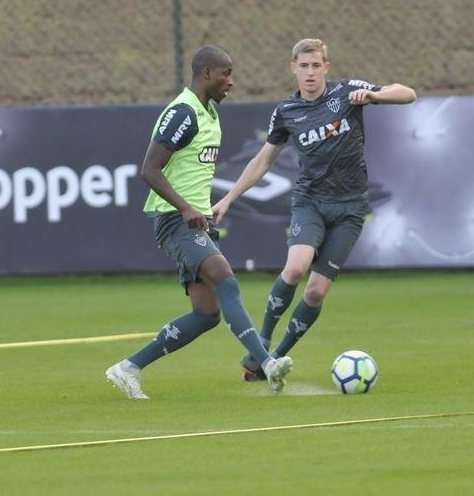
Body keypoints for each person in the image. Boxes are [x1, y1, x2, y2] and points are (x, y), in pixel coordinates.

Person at [212, 38, 417, 380]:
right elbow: (263, 161)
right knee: (295, 269)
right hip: (310, 203)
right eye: (303, 66)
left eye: (315, 65)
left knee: (316, 290)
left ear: (326, 67)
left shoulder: (348, 93)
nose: (310, 72)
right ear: (293, 68)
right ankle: (262, 342)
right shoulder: (286, 112)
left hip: (350, 208)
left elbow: (407, 93)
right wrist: (229, 199)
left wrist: (375, 95)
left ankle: (275, 359)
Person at [105, 45, 294, 399]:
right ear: (206, 74)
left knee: (206, 314)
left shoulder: (209, 112)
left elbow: (192, 171)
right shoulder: (182, 113)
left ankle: (127, 368)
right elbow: (148, 169)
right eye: (226, 73)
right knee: (227, 280)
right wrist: (187, 209)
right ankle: (267, 363)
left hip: (196, 221)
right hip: (174, 219)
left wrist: (205, 210)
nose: (231, 81)